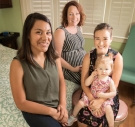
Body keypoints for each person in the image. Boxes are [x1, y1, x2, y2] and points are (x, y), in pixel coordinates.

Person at [10, 12, 68, 127]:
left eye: (48, 33)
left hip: (55, 106)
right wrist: (52, 112)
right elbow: (21, 103)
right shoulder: (17, 64)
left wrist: (63, 104)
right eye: (38, 32)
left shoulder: (54, 57)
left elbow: (61, 80)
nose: (45, 38)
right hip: (34, 110)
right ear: (27, 34)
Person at [77, 23, 123, 127]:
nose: (101, 43)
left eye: (105, 39)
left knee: (104, 120)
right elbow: (84, 84)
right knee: (82, 121)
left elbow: (114, 85)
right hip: (90, 92)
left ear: (111, 39)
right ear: (94, 39)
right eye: (97, 38)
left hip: (108, 95)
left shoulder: (117, 58)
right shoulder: (88, 57)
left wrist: (100, 101)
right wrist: (93, 100)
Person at [68, 53, 116, 127]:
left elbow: (113, 93)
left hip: (102, 99)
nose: (103, 71)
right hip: (91, 96)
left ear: (111, 70)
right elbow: (86, 84)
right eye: (101, 68)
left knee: (108, 108)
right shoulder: (95, 77)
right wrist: (92, 76)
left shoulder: (110, 81)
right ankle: (73, 116)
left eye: (106, 69)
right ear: (96, 69)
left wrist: (104, 95)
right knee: (80, 103)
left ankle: (111, 125)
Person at [54, 0, 86, 85]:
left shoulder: (79, 28)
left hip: (84, 63)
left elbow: (80, 49)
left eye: (77, 13)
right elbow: (56, 56)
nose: (74, 17)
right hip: (70, 69)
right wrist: (73, 68)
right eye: (71, 14)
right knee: (89, 82)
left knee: (101, 75)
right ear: (66, 16)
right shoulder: (61, 32)